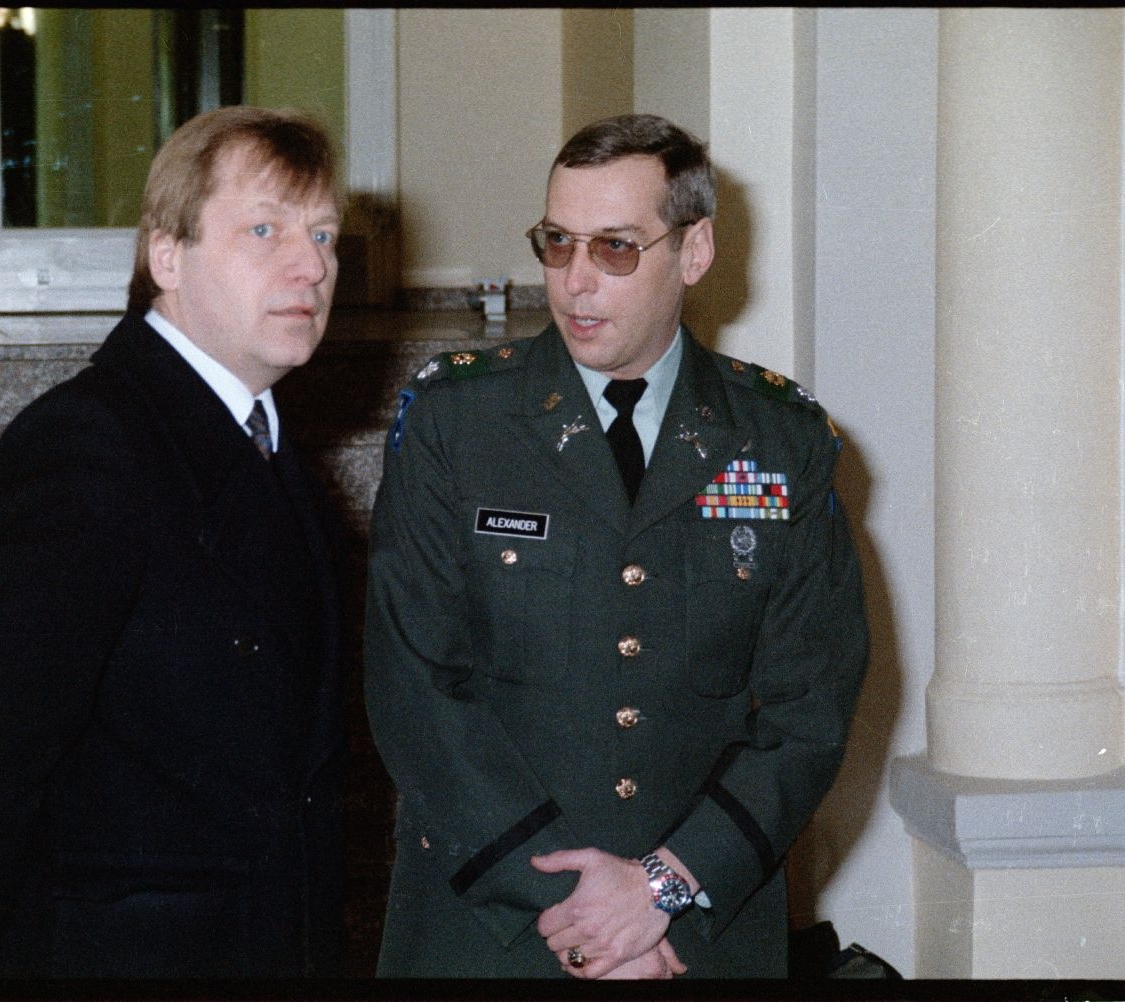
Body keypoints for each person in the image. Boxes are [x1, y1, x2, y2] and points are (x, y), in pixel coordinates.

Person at [363, 113, 868, 979]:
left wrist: (662, 890)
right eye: (557, 244)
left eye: (617, 249)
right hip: (494, 934)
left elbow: (808, 709)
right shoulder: (459, 423)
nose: (575, 282)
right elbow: (416, 691)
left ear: (695, 252)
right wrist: (579, 909)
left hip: (697, 936)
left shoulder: (779, 442)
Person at [0, 106, 348, 979]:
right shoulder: (88, 446)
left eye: (326, 235)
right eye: (266, 229)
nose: (313, 266)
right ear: (167, 255)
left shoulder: (264, 443)